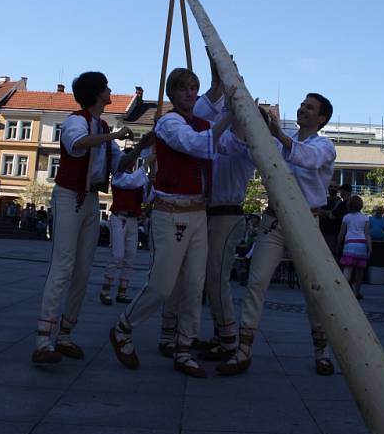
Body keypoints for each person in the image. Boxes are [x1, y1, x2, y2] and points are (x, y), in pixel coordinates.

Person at [109, 67, 234, 378]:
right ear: (172, 94)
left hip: (197, 211)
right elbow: (195, 145)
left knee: (194, 285)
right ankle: (124, 327)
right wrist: (230, 116)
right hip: (170, 212)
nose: (190, 94)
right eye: (183, 89)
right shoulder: (168, 122)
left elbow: (220, 141)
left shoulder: (202, 123)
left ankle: (184, 347)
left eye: (193, 88)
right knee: (163, 285)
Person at [31, 71, 153, 365]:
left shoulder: (100, 125)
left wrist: (141, 146)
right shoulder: (78, 121)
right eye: (107, 87)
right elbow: (77, 144)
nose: (111, 90)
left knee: (83, 269)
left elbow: (119, 166)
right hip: (69, 195)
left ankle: (64, 335)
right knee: (63, 265)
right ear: (98, 93)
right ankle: (43, 340)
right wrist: (114, 135)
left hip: (89, 199)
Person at [218, 93, 336, 378]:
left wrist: (277, 135)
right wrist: (245, 118)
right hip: (274, 220)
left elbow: (308, 159)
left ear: (321, 118)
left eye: (310, 108)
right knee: (256, 282)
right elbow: (250, 150)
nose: (302, 109)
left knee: (314, 290)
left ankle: (322, 351)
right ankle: (243, 349)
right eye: (302, 105)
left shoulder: (325, 146)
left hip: (306, 222)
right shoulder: (279, 142)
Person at [158, 66, 256, 364]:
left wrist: (236, 105)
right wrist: (219, 77)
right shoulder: (201, 124)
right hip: (200, 211)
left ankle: (227, 339)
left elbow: (223, 140)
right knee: (183, 276)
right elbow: (199, 112)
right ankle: (174, 334)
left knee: (213, 278)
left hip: (225, 213)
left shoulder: (235, 134)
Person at [99, 162, 153, 306]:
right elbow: (131, 182)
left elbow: (146, 199)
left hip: (132, 220)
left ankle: (122, 292)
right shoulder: (118, 176)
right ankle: (105, 290)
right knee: (118, 255)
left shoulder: (136, 178)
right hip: (119, 217)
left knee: (130, 256)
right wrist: (147, 166)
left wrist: (151, 180)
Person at [337, 194, 371, 300]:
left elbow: (341, 233)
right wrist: (370, 247)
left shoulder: (346, 217)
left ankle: (344, 291)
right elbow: (367, 234)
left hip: (350, 243)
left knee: (348, 268)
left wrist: (338, 244)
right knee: (359, 270)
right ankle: (357, 292)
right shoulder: (365, 218)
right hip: (361, 244)